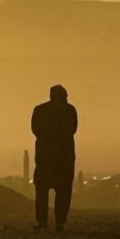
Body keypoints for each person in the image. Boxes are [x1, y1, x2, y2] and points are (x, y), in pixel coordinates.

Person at [32, 84, 78, 231]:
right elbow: (70, 130)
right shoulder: (67, 111)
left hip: (52, 157)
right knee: (51, 191)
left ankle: (49, 221)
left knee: (52, 191)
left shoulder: (41, 110)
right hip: (55, 157)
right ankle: (53, 222)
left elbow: (37, 130)